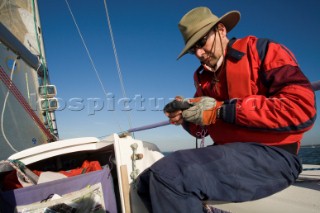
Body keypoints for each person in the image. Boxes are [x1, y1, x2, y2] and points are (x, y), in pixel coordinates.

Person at [137, 6, 316, 213]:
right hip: (230, 152)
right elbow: (201, 129)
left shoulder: (264, 51)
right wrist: (185, 116)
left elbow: (301, 108)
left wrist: (222, 111)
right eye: (193, 49)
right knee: (146, 182)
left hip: (275, 156)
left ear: (221, 30)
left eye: (201, 42)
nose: (199, 53)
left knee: (168, 176)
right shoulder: (203, 79)